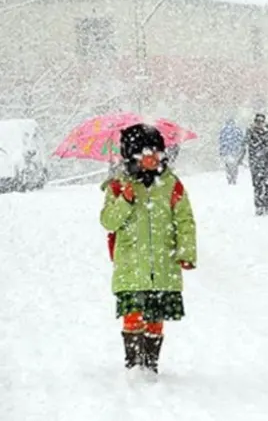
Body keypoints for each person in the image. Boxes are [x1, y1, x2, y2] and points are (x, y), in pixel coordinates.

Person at [100, 124, 197, 378]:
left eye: (157, 153)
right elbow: (108, 221)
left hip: (162, 264)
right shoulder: (118, 186)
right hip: (131, 266)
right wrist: (125, 200)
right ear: (132, 155)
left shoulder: (171, 184)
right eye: (146, 153)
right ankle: (133, 364)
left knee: (155, 316)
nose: (153, 158)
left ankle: (150, 363)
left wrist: (186, 252)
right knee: (133, 314)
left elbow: (185, 219)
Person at [245, 113, 268, 215]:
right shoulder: (250, 130)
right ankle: (259, 205)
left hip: (267, 161)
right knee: (257, 184)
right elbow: (244, 143)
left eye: (261, 121)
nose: (259, 124)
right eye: (257, 121)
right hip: (255, 161)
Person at [218, 119, 245, 185]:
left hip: (226, 151)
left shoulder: (223, 131)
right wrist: (240, 149)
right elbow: (241, 140)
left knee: (228, 165)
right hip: (235, 151)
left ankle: (229, 177)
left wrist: (221, 151)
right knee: (234, 165)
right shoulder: (237, 130)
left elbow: (221, 141)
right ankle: (234, 177)